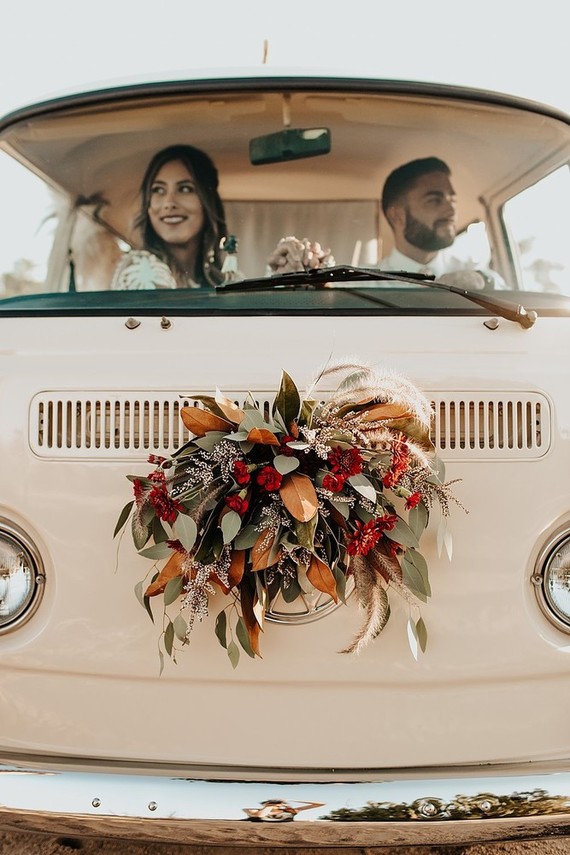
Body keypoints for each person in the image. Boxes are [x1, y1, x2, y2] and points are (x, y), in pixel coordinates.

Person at [267, 157, 503, 289]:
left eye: (452, 199)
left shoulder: (477, 277)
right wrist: (285, 274)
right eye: (434, 200)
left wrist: (483, 280)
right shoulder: (362, 285)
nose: (451, 209)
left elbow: (512, 301)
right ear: (397, 215)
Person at [111, 144, 227, 289]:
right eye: (158, 190)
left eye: (185, 189)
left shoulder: (219, 277)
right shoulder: (143, 271)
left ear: (207, 201)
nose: (169, 203)